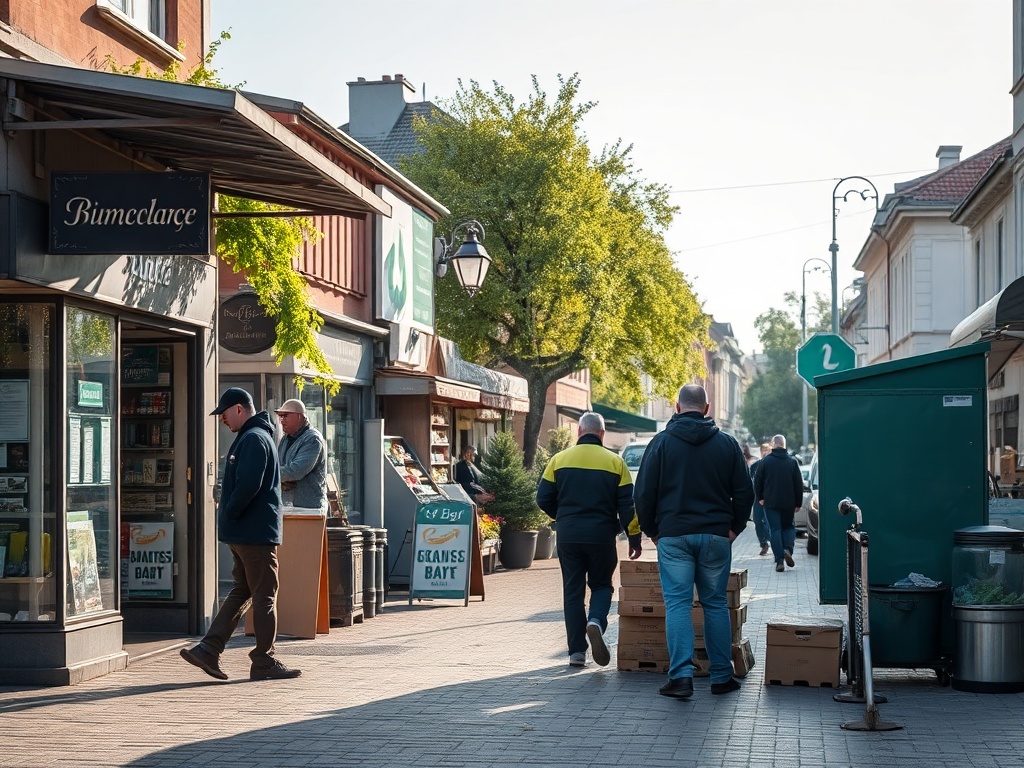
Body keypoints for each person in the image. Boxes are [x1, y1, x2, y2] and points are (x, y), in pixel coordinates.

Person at [634, 384, 753, 699]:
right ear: (707, 407)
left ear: (676, 407)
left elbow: (643, 494)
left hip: (673, 535)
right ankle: (721, 677)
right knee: (714, 603)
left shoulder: (660, 444)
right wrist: (734, 529)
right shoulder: (727, 445)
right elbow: (745, 492)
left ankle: (682, 678)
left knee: (677, 604)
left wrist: (653, 532)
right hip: (715, 535)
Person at [180, 387, 301, 681]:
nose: (222, 418)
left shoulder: (252, 438)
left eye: (224, 412)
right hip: (253, 533)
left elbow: (248, 485)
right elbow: (248, 486)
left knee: (246, 591)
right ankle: (262, 660)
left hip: (249, 531)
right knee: (264, 596)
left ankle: (209, 649)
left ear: (239, 408)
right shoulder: (254, 438)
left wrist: (230, 515)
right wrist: (231, 514)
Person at [536, 412, 642, 668]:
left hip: (569, 536)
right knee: (602, 585)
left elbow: (542, 498)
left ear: (579, 432)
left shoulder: (558, 460)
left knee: (572, 591)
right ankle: (595, 621)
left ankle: (577, 653)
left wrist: (562, 518)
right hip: (602, 535)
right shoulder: (616, 463)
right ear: (602, 434)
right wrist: (634, 538)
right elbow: (628, 506)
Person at [753, 434, 804, 573]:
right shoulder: (792, 462)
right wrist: (798, 502)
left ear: (773, 445)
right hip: (789, 503)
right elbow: (798, 484)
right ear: (784, 445)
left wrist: (760, 497)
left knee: (775, 530)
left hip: (771, 502)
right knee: (788, 527)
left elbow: (758, 481)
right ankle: (788, 549)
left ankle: (779, 560)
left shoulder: (765, 462)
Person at [275, 398, 328, 513]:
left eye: (285, 416)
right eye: (280, 417)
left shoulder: (313, 439)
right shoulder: (285, 439)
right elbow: (280, 466)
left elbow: (296, 471)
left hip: (309, 509)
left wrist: (271, 476)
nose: (282, 420)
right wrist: (280, 480)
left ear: (299, 416)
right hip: (288, 506)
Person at [748, 442, 772, 556]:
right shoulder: (754, 466)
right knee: (758, 520)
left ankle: (774, 543)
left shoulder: (772, 465)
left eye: (767, 450)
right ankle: (763, 543)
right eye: (763, 451)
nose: (765, 453)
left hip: (770, 498)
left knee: (769, 521)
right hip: (757, 498)